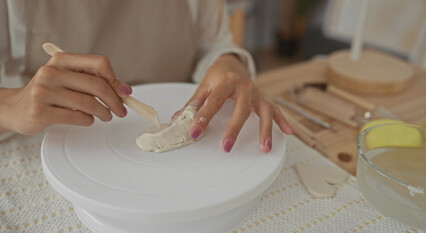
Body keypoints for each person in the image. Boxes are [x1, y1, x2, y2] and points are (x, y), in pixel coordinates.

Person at [0, 0, 294, 153]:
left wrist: (230, 65)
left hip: (185, 135)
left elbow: (214, 44)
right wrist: (9, 106)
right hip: (40, 147)